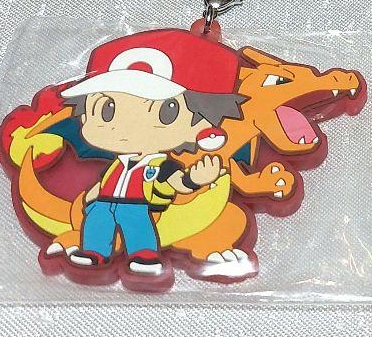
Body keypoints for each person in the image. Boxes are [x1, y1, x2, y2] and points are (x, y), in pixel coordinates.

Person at [59, 29, 245, 277]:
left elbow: (176, 182)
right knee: (96, 222)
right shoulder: (118, 162)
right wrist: (93, 194)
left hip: (137, 204)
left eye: (166, 112)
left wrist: (194, 179)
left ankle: (144, 255)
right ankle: (94, 252)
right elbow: (105, 180)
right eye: (107, 110)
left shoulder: (161, 164)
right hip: (104, 201)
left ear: (201, 124)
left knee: (138, 226)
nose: (125, 127)